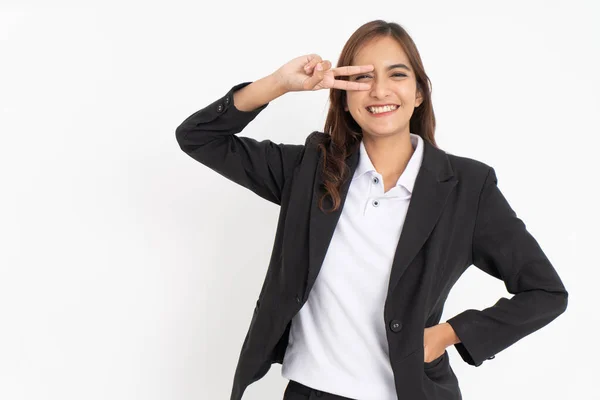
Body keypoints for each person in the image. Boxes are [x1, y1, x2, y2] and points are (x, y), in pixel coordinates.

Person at [175, 19, 568, 400]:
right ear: (344, 98)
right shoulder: (309, 170)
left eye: (397, 75)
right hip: (313, 392)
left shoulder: (468, 188)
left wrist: (448, 333)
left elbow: (546, 292)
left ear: (418, 93)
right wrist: (279, 83)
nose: (379, 90)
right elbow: (198, 137)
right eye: (363, 77)